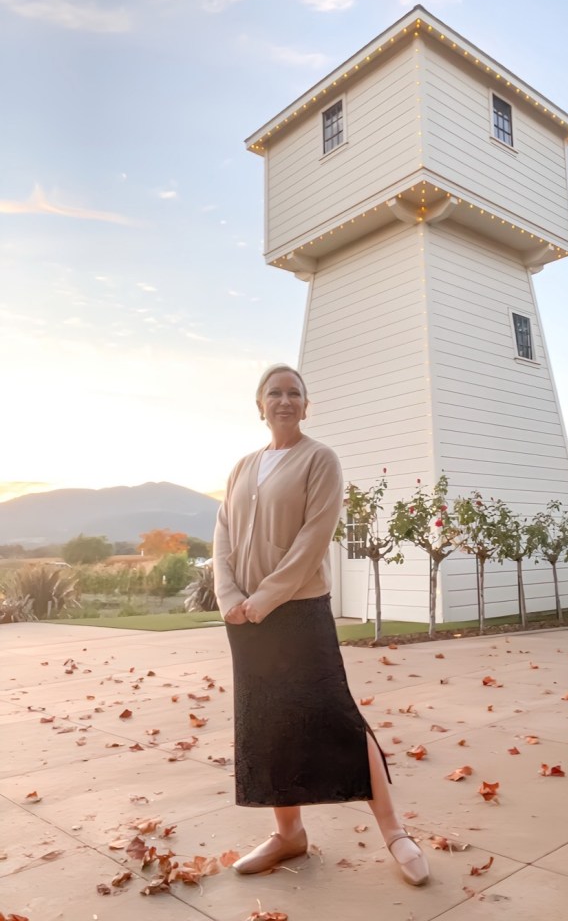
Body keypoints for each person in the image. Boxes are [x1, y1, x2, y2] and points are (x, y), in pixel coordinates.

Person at [213, 364, 430, 887]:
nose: (284, 400)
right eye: (274, 393)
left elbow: (314, 537)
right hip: (243, 615)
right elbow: (222, 530)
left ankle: (396, 831)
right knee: (267, 724)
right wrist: (230, 597)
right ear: (259, 405)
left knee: (338, 718)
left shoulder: (320, 459)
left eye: (294, 393)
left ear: (306, 406)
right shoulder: (243, 466)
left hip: (297, 608)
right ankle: (289, 835)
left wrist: (263, 598)